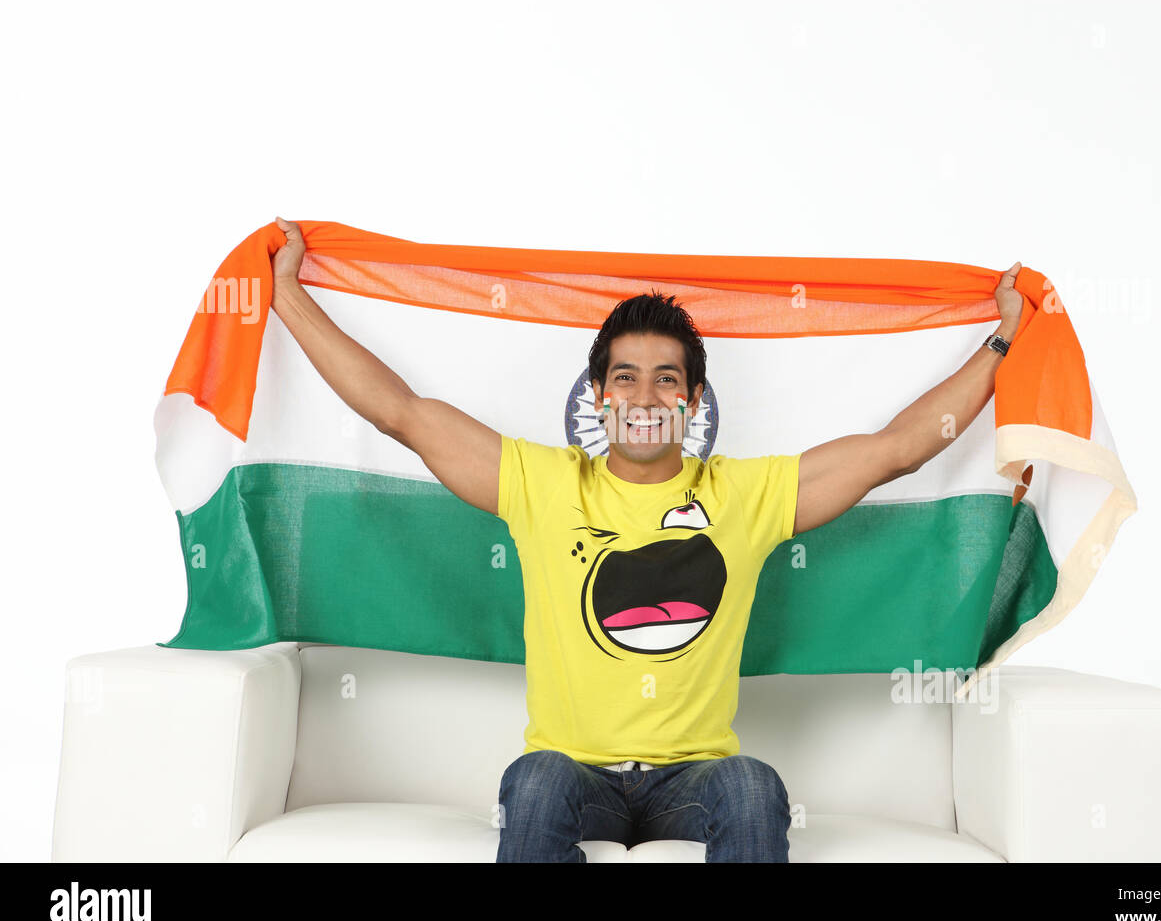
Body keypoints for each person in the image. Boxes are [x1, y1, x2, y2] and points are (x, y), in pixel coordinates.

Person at [269, 216, 1025, 862]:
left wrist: (1001, 344)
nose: (644, 396)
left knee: (754, 785)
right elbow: (400, 411)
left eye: (667, 379)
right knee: (534, 783)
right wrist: (287, 298)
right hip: (573, 774)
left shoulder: (744, 494)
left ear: (694, 400)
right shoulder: (544, 483)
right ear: (598, 396)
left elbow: (895, 448)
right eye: (625, 377)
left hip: (692, 780)